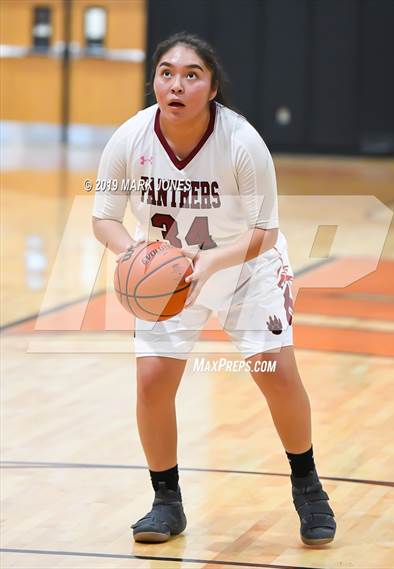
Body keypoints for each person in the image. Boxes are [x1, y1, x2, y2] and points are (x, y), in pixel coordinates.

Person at [92, 32, 336, 547]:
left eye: (191, 75)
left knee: (277, 373)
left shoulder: (241, 141)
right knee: (153, 380)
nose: (176, 84)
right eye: (166, 73)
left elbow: (265, 231)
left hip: (246, 266)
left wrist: (209, 263)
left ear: (212, 87)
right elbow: (105, 218)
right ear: (153, 81)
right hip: (170, 274)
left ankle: (308, 487)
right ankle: (166, 502)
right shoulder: (130, 138)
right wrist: (136, 256)